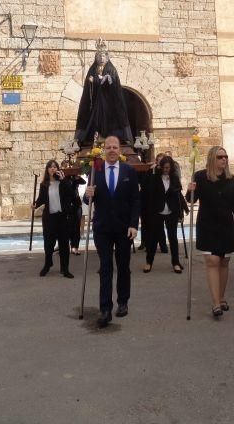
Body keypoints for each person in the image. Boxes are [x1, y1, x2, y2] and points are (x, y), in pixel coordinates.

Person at [85, 135, 140, 328]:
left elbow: (135, 200)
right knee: (105, 267)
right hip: (102, 228)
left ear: (120, 150)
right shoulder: (95, 170)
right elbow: (87, 199)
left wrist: (134, 224)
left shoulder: (129, 171)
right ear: (103, 150)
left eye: (115, 147)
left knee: (123, 266)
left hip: (124, 228)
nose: (111, 150)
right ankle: (105, 309)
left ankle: (122, 301)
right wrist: (87, 194)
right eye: (108, 147)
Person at [187, 146, 234, 317]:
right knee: (213, 260)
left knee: (224, 261)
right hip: (207, 225)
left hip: (225, 225)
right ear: (212, 158)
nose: (224, 159)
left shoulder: (232, 180)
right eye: (220, 157)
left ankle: (221, 297)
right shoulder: (200, 176)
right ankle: (215, 303)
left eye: (226, 156)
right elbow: (191, 200)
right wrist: (190, 190)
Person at [74, 42, 133, 145]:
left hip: (109, 102)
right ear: (96, 58)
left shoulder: (111, 69)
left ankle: (112, 138)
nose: (101, 58)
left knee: (109, 119)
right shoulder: (93, 69)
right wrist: (91, 81)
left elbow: (113, 84)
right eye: (99, 56)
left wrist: (98, 80)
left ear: (107, 58)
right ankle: (95, 137)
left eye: (103, 56)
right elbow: (90, 85)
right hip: (97, 101)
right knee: (95, 119)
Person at [33, 160, 83, 278]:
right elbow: (41, 198)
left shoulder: (63, 183)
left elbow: (72, 195)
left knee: (64, 244)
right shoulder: (44, 184)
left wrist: (64, 180)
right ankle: (48, 263)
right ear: (47, 170)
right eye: (50, 167)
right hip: (49, 218)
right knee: (48, 244)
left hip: (62, 217)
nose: (52, 169)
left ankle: (65, 269)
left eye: (55, 167)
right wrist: (35, 204)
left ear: (58, 169)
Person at [144, 155, 188, 274]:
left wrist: (183, 209)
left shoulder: (174, 178)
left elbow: (179, 195)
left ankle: (176, 262)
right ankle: (149, 262)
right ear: (161, 167)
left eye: (168, 168)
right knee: (153, 238)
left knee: (173, 238)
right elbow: (148, 188)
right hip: (157, 211)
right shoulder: (154, 176)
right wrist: (153, 171)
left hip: (171, 211)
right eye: (164, 167)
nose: (166, 169)